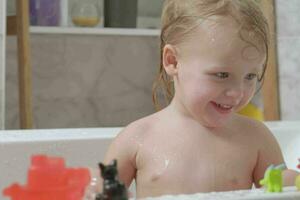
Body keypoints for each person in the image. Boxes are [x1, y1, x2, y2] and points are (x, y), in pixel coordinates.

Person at [101, 0, 299, 198]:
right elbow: (103, 193)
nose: (238, 92)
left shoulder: (256, 138)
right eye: (222, 75)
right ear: (173, 61)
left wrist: (289, 184)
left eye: (250, 76)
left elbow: (278, 193)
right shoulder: (137, 138)